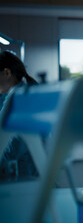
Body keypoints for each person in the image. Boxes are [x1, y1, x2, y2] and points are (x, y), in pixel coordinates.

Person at [0, 50, 38, 180]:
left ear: (7, 73)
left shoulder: (21, 98)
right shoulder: (17, 95)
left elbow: (14, 145)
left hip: (28, 179)